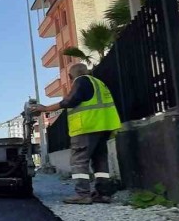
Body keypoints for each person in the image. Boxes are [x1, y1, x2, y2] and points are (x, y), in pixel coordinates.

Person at [31, 63, 121, 204]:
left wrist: (45, 108)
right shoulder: (99, 83)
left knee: (79, 161)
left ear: (70, 76)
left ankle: (83, 194)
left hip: (87, 126)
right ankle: (103, 194)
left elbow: (70, 101)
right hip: (105, 126)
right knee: (100, 160)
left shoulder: (81, 81)